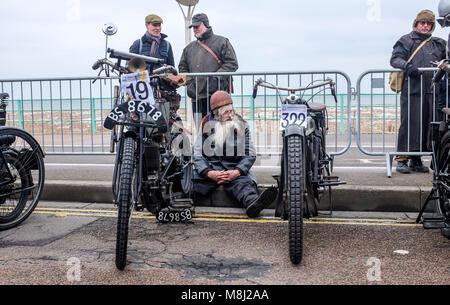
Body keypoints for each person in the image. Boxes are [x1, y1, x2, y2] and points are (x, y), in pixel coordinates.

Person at [192, 90, 277, 218]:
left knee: (244, 186)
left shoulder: (243, 126)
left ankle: (253, 204)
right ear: (216, 115)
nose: (231, 115)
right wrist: (209, 173)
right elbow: (197, 154)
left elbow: (250, 154)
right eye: (226, 112)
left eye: (231, 111)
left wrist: (237, 172)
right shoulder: (205, 126)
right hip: (211, 171)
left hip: (234, 171)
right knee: (188, 180)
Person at [390, 10, 447, 174]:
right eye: (423, 23)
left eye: (429, 23)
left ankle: (416, 159)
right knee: (409, 124)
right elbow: (395, 59)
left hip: (433, 91)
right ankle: (401, 159)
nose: (425, 26)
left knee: (429, 125)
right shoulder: (406, 40)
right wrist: (408, 66)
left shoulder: (439, 43)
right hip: (412, 91)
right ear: (416, 23)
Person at [178, 13, 239, 121]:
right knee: (201, 130)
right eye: (193, 27)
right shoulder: (188, 48)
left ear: (206, 24)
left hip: (218, 96)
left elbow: (232, 64)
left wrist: (215, 78)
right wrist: (191, 82)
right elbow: (182, 68)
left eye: (197, 26)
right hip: (196, 96)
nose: (195, 29)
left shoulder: (222, 42)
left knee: (220, 130)